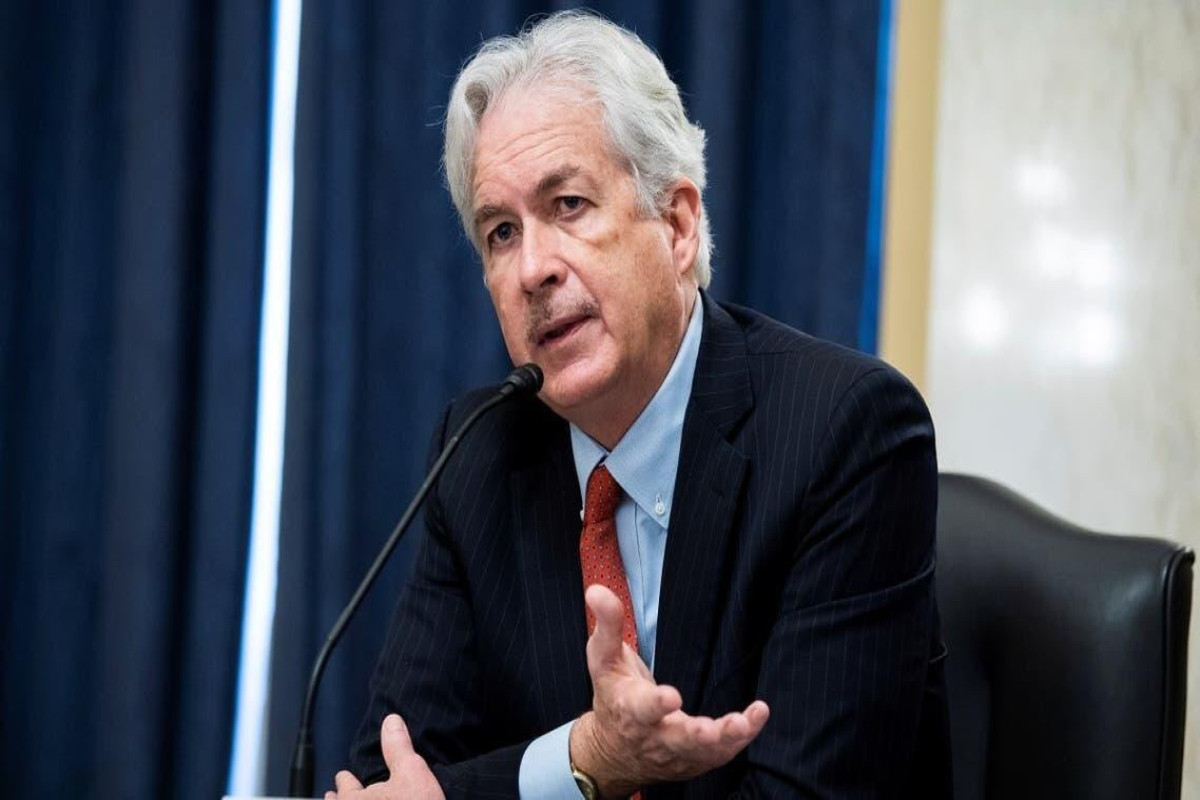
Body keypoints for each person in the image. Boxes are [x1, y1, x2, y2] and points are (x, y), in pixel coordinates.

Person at [330, 10, 950, 799]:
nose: (533, 269)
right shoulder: (481, 454)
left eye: (568, 205)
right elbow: (387, 777)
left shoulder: (844, 434)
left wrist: (563, 774)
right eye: (501, 233)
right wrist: (583, 758)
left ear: (678, 225)